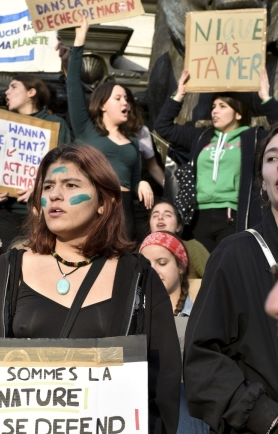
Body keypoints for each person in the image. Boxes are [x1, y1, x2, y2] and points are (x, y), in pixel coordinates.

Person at [0, 143, 181, 434]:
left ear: (104, 201)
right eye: (48, 187)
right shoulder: (9, 270)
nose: (55, 196)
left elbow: (162, 375)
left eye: (70, 185)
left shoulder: (137, 276)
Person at [184, 124, 278, 434]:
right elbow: (201, 360)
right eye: (274, 157)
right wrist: (266, 420)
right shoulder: (237, 253)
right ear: (262, 180)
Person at [0, 34, 73, 248]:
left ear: (32, 92)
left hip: (42, 214)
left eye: (13, 86)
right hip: (3, 215)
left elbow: (68, 169)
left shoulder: (55, 125)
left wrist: (42, 187)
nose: (7, 91)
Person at [154, 68, 278, 252]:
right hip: (197, 216)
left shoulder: (252, 137)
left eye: (222, 106)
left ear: (238, 113)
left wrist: (266, 98)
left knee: (228, 269)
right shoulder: (201, 136)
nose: (215, 111)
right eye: (213, 106)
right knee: (199, 273)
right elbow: (162, 127)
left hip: (232, 216)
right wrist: (179, 94)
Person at [140, 232, 211, 434]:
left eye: (162, 261)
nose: (153, 268)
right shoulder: (130, 320)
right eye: (146, 263)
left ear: (181, 267)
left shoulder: (202, 318)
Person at [67, 17, 155, 241]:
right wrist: (79, 41)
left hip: (125, 210)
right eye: (118, 98)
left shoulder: (133, 142)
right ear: (103, 104)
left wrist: (142, 182)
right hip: (94, 205)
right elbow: (73, 86)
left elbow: (134, 181)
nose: (125, 102)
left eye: (126, 98)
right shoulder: (86, 130)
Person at [149, 200, 209, 278]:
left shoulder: (192, 247)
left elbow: (215, 278)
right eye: (155, 216)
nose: (160, 217)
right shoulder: (142, 253)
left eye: (167, 215)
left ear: (178, 227)